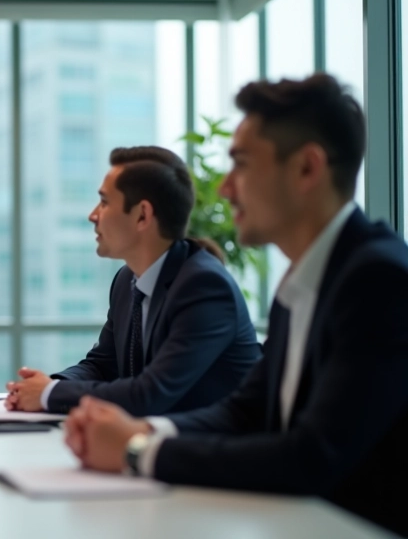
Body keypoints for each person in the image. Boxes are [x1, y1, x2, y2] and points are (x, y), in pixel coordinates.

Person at [65, 74, 408, 536]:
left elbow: (311, 456)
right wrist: (138, 434)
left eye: (241, 165)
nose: (225, 188)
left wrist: (139, 450)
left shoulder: (378, 280)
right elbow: (243, 411)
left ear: (307, 168)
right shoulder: (302, 281)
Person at [5, 147, 261, 416]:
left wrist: (48, 394)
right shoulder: (127, 280)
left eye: (104, 202)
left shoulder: (204, 287)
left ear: (142, 215)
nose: (93, 215)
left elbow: (151, 393)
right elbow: (102, 366)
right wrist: (48, 386)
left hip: (210, 451)